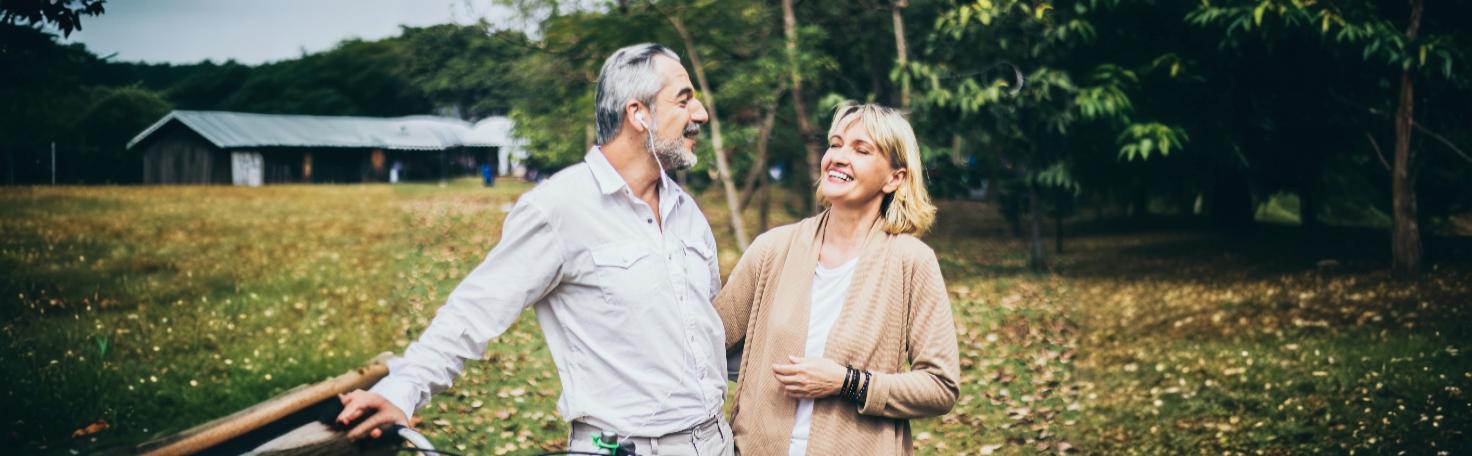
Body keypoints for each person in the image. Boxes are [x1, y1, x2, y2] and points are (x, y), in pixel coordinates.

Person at [336, 43, 735, 455]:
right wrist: (404, 388)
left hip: (714, 440)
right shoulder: (559, 207)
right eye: (684, 100)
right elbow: (476, 309)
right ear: (639, 114)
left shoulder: (686, 211)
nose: (700, 114)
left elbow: (707, 328)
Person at [716, 104, 960, 455]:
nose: (839, 157)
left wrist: (848, 383)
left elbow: (940, 386)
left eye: (861, 150)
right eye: (835, 144)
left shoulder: (912, 262)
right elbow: (704, 343)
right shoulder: (772, 249)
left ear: (895, 178)